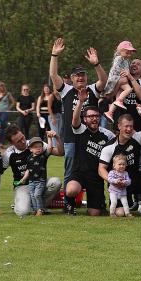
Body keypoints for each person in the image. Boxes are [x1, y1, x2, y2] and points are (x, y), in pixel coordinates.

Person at [49, 37, 108, 187]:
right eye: (77, 75)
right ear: (72, 78)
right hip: (71, 138)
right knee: (70, 171)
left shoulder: (92, 89)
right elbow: (53, 76)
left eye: (83, 75)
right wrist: (54, 55)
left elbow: (103, 80)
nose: (80, 77)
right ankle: (69, 197)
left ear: (86, 77)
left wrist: (96, 64)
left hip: (91, 139)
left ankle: (93, 196)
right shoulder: (66, 90)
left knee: (92, 169)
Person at [64, 89, 116, 216]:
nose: (94, 119)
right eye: (90, 116)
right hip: (79, 173)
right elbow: (74, 120)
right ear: (85, 119)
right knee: (71, 190)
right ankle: (70, 204)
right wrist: (81, 102)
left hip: (96, 176)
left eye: (96, 116)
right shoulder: (81, 130)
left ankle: (99, 202)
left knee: (95, 213)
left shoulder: (107, 135)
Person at [98, 110, 141, 215]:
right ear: (119, 126)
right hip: (118, 184)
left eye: (131, 126)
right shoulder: (110, 147)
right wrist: (113, 181)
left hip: (135, 180)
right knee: (120, 213)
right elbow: (101, 169)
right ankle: (125, 204)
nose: (129, 129)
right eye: (126, 126)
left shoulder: (137, 138)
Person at [3, 125, 64, 217]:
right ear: (12, 143)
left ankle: (37, 208)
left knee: (56, 182)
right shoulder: (9, 154)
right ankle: (25, 204)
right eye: (19, 141)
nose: (23, 141)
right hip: (23, 186)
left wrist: (57, 138)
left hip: (40, 182)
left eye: (23, 137)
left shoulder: (36, 144)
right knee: (22, 212)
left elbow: (60, 153)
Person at [19, 137, 52, 216]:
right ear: (30, 149)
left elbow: (50, 149)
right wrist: (24, 178)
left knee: (37, 195)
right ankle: (35, 210)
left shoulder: (43, 156)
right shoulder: (29, 158)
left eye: (40, 146)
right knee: (32, 195)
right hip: (31, 181)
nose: (38, 148)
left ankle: (40, 210)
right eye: (35, 147)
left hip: (40, 181)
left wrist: (49, 138)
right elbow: (28, 170)